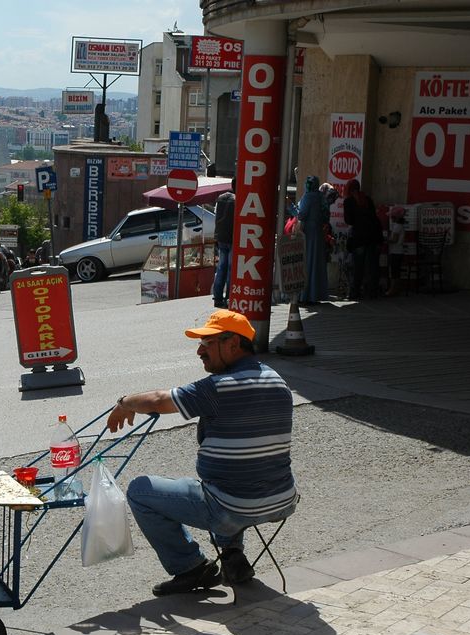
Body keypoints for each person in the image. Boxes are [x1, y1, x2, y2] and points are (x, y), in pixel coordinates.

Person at [107, 309, 298, 595]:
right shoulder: (277, 381)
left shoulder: (219, 387)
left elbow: (159, 400)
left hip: (233, 505)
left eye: (207, 344)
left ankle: (191, 568)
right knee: (223, 484)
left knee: (140, 490)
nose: (199, 351)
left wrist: (123, 402)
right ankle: (232, 555)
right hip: (281, 500)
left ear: (232, 344)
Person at [343, 179, 384, 300]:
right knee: (372, 266)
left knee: (358, 267)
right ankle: (372, 292)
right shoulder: (367, 199)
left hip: (359, 237)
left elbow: (349, 220)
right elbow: (373, 217)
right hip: (374, 236)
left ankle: (355, 293)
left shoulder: (349, 201)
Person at [296, 175, 328, 304]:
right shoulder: (321, 197)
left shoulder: (308, 197)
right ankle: (316, 294)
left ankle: (306, 295)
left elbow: (301, 214)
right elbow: (326, 216)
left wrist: (290, 207)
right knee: (317, 262)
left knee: (308, 262)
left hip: (308, 233)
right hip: (319, 232)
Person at [212, 177, 236, 309]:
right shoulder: (238, 200)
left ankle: (217, 297)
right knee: (231, 268)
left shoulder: (221, 198)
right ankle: (229, 297)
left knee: (221, 267)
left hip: (221, 238)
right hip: (232, 238)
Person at [386, 206, 407, 296]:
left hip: (396, 251)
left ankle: (393, 289)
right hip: (399, 251)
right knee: (396, 271)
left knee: (394, 272)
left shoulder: (397, 227)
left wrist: (385, 240)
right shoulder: (400, 226)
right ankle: (396, 288)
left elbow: (394, 240)